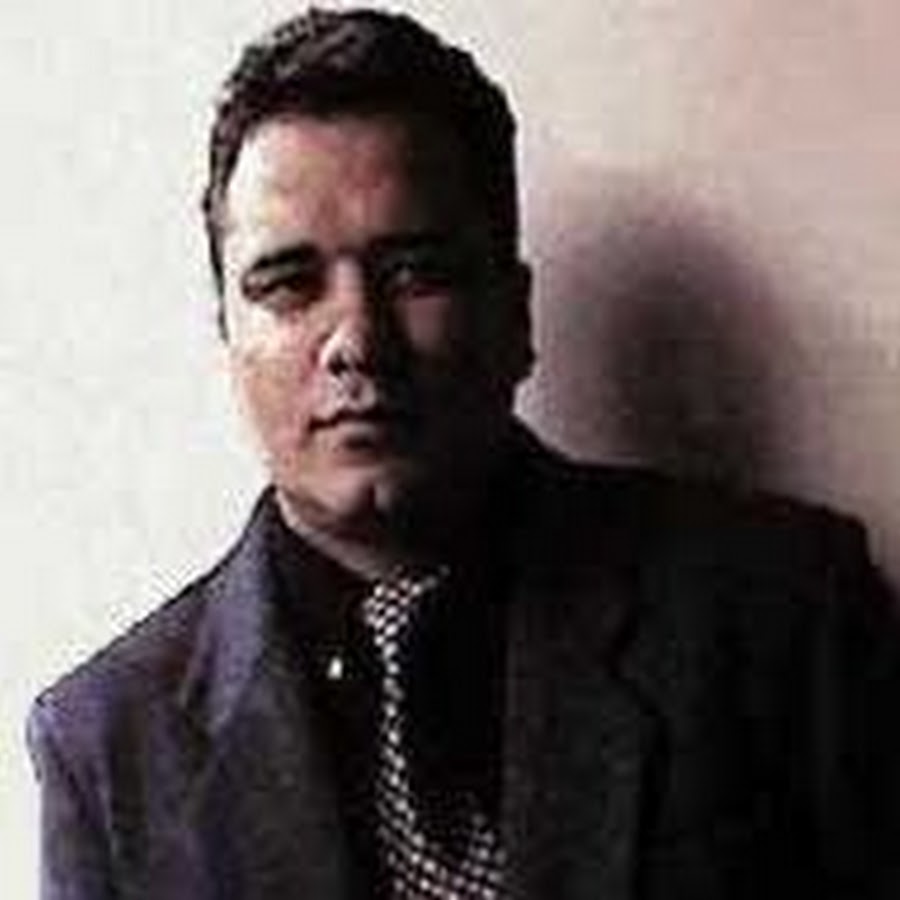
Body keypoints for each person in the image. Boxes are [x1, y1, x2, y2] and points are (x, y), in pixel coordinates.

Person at [27, 7, 900, 899]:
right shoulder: (106, 751)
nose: (357, 341)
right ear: (227, 336)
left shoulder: (781, 615)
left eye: (416, 272)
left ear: (514, 314)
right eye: (288, 285)